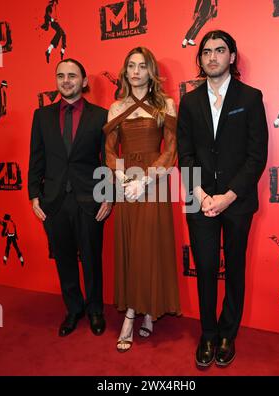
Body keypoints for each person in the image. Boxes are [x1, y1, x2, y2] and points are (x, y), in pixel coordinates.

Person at [177, 30, 268, 368]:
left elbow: (256, 156)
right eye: (206, 52)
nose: (212, 56)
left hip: (237, 202)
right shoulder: (188, 101)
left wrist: (228, 196)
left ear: (232, 56)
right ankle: (209, 333)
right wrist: (201, 194)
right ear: (199, 59)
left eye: (219, 50)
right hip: (199, 200)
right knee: (204, 270)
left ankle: (229, 332)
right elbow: (183, 155)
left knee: (235, 268)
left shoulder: (250, 98)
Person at [104, 46, 181, 352]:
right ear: (125, 72)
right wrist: (123, 179)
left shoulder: (167, 105)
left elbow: (171, 150)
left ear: (151, 71)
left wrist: (146, 180)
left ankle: (137, 313)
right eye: (130, 66)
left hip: (155, 183)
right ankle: (140, 311)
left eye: (142, 66)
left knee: (148, 246)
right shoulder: (115, 107)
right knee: (131, 246)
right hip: (126, 185)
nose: (135, 71)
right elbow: (110, 151)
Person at [28, 58, 111, 337]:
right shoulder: (42, 116)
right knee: (64, 259)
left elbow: (107, 161)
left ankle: (95, 310)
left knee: (91, 258)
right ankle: (74, 309)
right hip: (54, 201)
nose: (66, 80)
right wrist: (33, 195)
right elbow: (36, 159)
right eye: (61, 75)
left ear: (84, 81)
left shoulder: (101, 116)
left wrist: (107, 197)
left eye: (72, 76)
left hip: (89, 200)